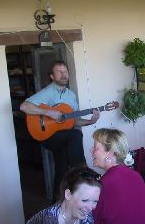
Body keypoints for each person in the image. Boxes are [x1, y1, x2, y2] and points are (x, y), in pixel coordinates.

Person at [20, 60, 100, 198]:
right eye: (59, 72)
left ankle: (57, 202)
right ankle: (82, 173)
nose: (64, 75)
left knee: (62, 168)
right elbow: (24, 107)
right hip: (47, 135)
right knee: (75, 135)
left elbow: (73, 121)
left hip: (63, 137)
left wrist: (90, 121)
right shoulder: (48, 92)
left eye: (65, 72)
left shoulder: (71, 95)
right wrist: (49, 113)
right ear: (52, 76)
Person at [91, 128, 145, 224]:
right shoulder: (136, 175)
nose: (91, 151)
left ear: (110, 153)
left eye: (95, 148)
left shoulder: (104, 184)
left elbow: (92, 219)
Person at [27, 166, 101, 224]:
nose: (90, 208)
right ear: (68, 194)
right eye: (85, 200)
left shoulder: (88, 217)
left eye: (95, 201)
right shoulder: (48, 220)